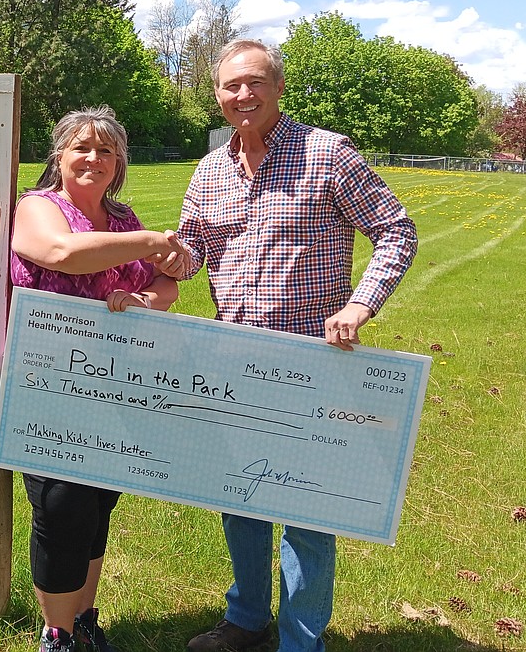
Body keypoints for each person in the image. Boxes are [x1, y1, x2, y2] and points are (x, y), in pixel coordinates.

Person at [174, 41, 417, 652]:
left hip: (312, 363)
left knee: (307, 512)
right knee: (239, 495)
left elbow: (396, 229)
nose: (242, 95)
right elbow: (195, 248)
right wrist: (156, 278)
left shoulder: (327, 155)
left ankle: (300, 641)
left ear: (278, 88)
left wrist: (361, 304)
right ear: (218, 95)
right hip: (231, 361)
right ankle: (248, 619)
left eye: (255, 83)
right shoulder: (210, 171)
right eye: (231, 86)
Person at [10, 105, 191, 652]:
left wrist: (143, 299)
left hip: (116, 387)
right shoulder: (37, 207)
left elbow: (167, 287)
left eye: (107, 150)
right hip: (47, 387)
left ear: (120, 162)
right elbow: (60, 253)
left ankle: (85, 619)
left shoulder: (124, 218)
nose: (94, 159)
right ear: (59, 156)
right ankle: (56, 633)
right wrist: (154, 241)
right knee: (61, 507)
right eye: (82, 148)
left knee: (96, 508)